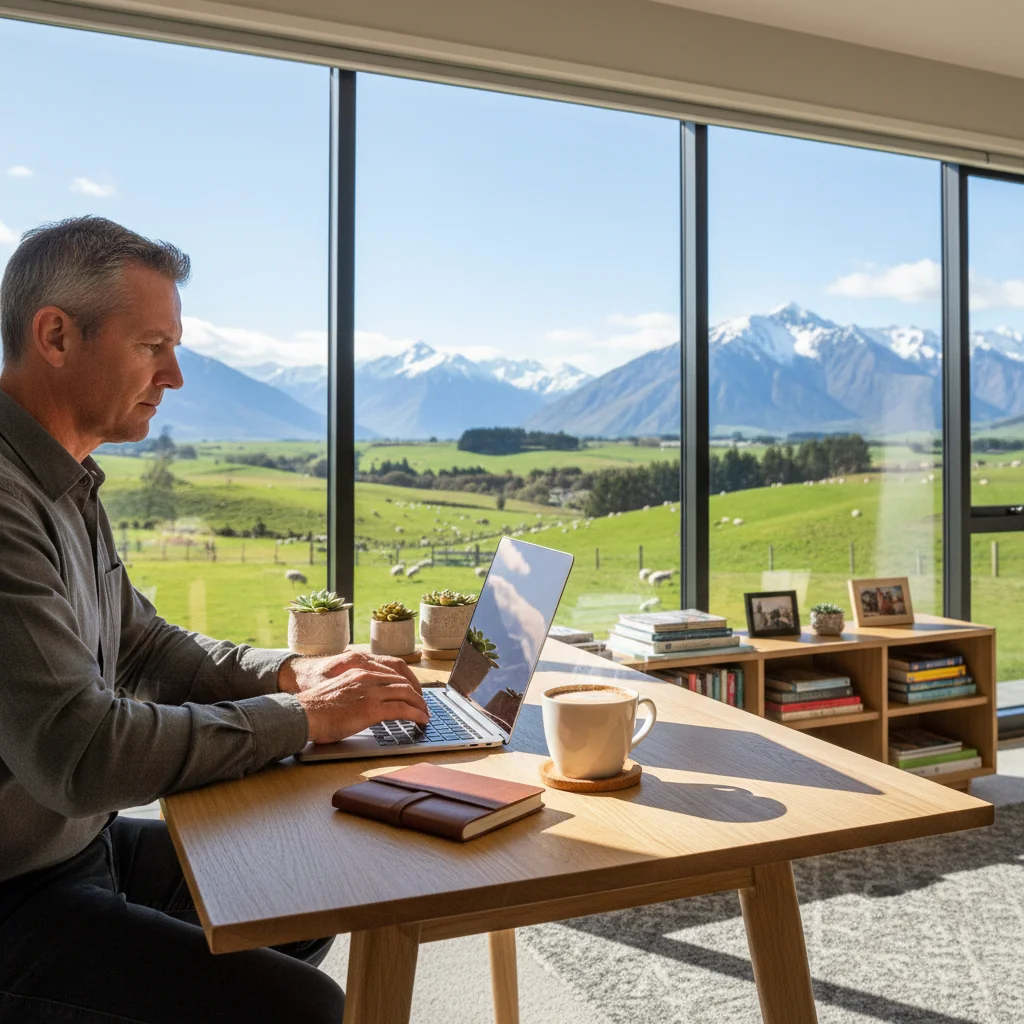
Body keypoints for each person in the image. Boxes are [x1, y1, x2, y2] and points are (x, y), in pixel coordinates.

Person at [0, 217, 431, 1023]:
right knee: (301, 1009)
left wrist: (290, 672)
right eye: (152, 346)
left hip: (75, 843)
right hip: (16, 889)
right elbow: (81, 753)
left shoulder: (65, 480)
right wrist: (302, 718)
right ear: (55, 335)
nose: (174, 376)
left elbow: (142, 645)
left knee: (307, 889)